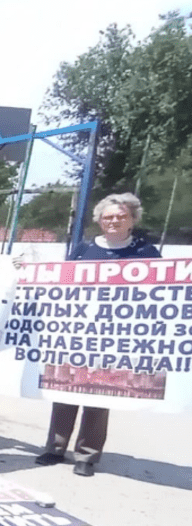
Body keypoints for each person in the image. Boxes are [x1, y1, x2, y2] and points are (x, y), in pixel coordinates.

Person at [35, 193, 160, 477]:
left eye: (121, 216)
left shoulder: (146, 254)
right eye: (108, 217)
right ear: (100, 221)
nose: (114, 221)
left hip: (117, 336)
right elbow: (62, 285)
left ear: (132, 219)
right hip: (77, 331)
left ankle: (87, 456)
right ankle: (55, 447)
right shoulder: (83, 250)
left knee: (100, 394)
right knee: (65, 387)